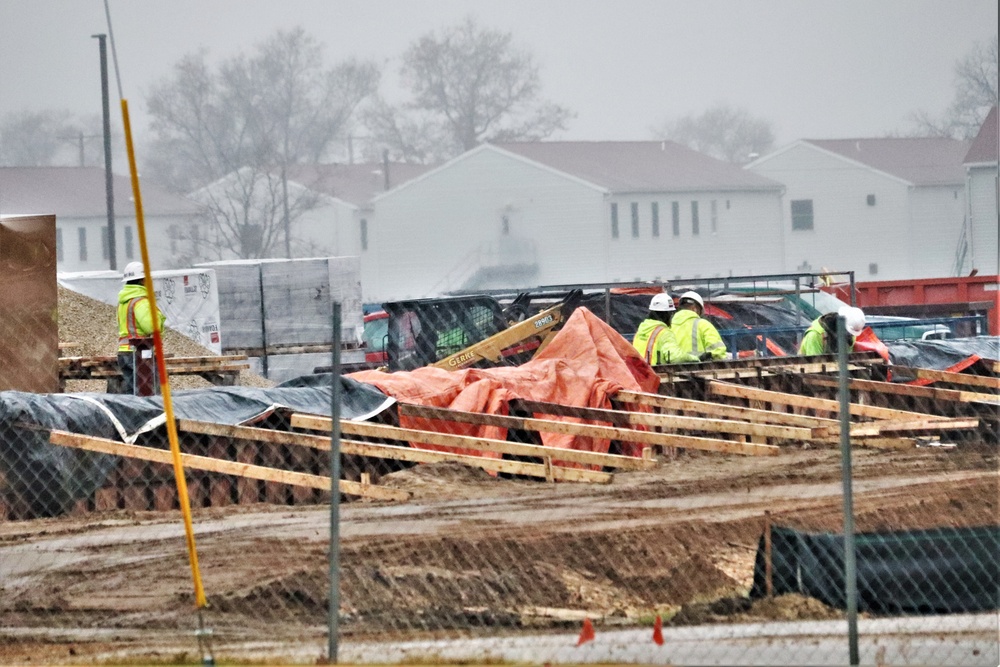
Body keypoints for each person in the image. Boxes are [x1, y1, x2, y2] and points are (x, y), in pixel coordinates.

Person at [116, 262, 165, 394]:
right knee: (147, 394)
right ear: (143, 280)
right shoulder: (140, 301)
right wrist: (158, 315)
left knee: (132, 394)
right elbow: (151, 327)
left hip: (125, 352)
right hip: (140, 354)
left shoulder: (125, 301)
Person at [632, 293, 701, 365]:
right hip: (656, 373)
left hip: (639, 373)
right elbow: (675, 357)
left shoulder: (641, 331)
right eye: (671, 313)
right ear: (666, 314)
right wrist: (695, 358)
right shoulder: (664, 333)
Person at [671, 291, 728, 361]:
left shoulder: (669, 327)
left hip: (673, 369)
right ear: (695, 309)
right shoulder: (704, 325)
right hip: (701, 369)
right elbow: (718, 353)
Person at [798, 305, 866, 356]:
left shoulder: (850, 336)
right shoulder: (815, 335)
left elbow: (847, 360)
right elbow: (813, 365)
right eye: (848, 332)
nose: (850, 335)